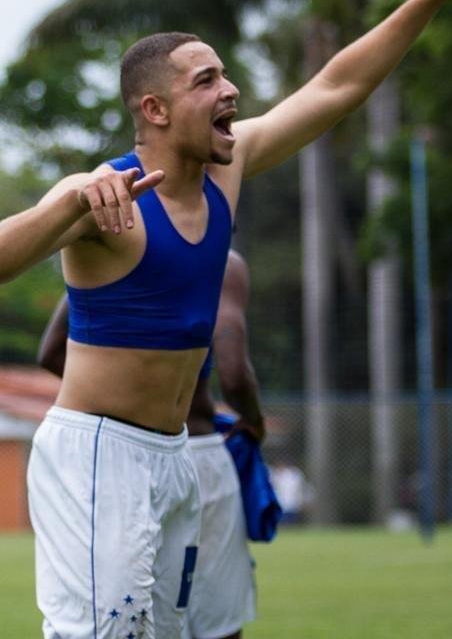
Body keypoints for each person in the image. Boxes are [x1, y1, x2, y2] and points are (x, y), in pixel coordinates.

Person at [0, 0, 452, 638]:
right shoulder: (104, 194)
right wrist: (71, 206)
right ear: (155, 109)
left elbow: (339, 83)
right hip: (99, 453)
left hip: (176, 458)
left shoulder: (226, 172)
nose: (231, 90)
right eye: (207, 81)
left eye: (225, 75)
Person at [37, 250, 264, 639]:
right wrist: (254, 423)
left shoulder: (109, 251)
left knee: (123, 622)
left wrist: (127, 396)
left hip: (114, 453)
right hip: (194, 451)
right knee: (215, 627)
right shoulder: (222, 261)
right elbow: (234, 373)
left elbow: (51, 351)